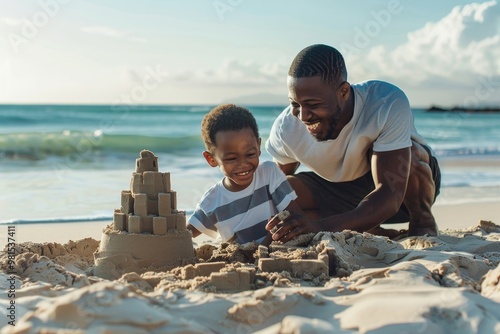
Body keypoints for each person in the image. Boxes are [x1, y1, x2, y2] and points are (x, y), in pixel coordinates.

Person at [265, 44, 441, 242]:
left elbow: (390, 194)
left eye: (313, 105)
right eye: (295, 104)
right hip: (345, 195)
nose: (303, 116)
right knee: (285, 189)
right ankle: (370, 229)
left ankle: (423, 222)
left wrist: (321, 227)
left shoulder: (384, 101)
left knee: (411, 154)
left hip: (401, 194)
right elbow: (276, 187)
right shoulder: (286, 128)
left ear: (344, 92)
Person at [187, 103, 302, 244]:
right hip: (242, 262)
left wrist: (264, 246)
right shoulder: (211, 203)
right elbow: (181, 235)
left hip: (277, 252)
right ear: (211, 159)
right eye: (231, 158)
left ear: (258, 147)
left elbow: (295, 217)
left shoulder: (269, 174)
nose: (243, 163)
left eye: (250, 154)